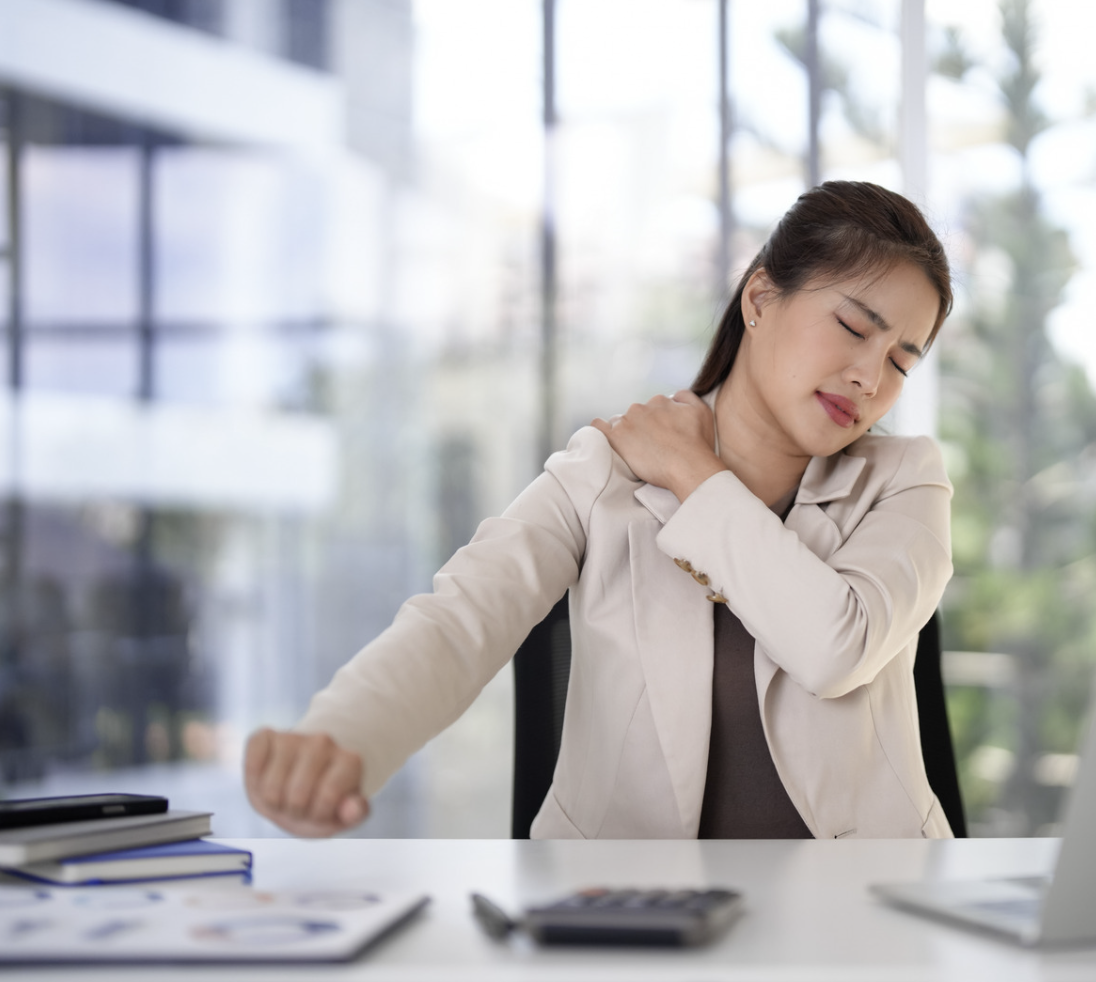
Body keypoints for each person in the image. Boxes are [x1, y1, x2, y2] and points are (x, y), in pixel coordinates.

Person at [245, 180, 956, 839]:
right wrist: (337, 742)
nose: (871, 376)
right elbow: (461, 619)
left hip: (863, 905)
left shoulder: (906, 480)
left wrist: (691, 470)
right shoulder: (604, 470)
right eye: (854, 327)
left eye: (901, 361)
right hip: (626, 905)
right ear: (761, 299)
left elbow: (836, 649)